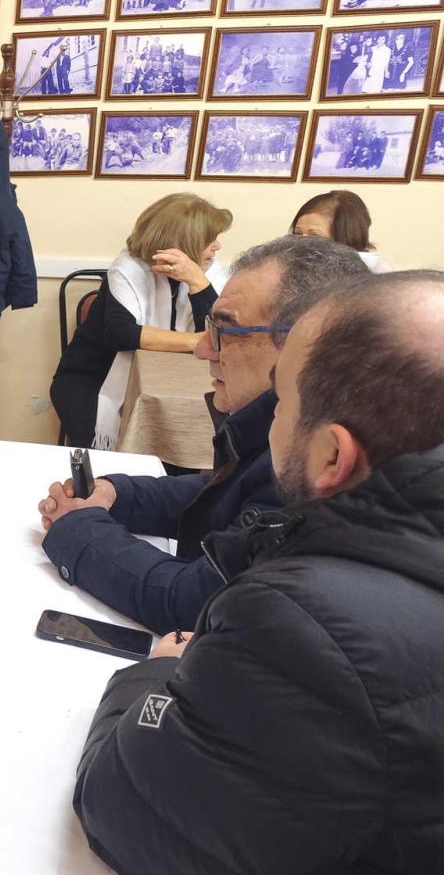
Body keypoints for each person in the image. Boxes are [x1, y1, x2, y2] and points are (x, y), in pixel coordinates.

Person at [73, 270, 444, 873]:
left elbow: (125, 807)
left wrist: (157, 673)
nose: (271, 421)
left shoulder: (301, 624)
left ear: (332, 455)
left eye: (283, 402)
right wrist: (120, 496)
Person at [37, 237, 369, 633]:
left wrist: (78, 529)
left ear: (304, 344)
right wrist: (115, 494)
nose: (202, 351)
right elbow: (220, 493)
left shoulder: (315, 455)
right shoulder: (295, 419)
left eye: (224, 331)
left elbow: (193, 602)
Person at [50, 193, 232, 449]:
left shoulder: (209, 272)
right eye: (209, 239)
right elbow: (121, 334)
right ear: (183, 242)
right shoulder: (127, 269)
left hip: (173, 380)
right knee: (109, 458)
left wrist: (197, 282)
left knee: (187, 440)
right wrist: (195, 341)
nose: (217, 246)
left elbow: (218, 334)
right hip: (93, 379)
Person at [290, 189, 386, 271]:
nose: (300, 243)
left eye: (314, 236)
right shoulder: (291, 264)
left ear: (345, 239)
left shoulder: (370, 273)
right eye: (297, 233)